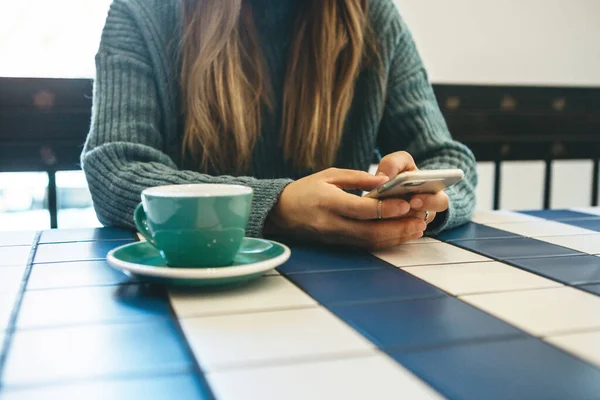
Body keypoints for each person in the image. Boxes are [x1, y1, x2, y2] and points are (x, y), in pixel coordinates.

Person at [82, 0, 477, 249]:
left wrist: (425, 207)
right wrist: (276, 207)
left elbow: (444, 156)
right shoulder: (142, 11)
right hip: (190, 287)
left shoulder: (372, 15)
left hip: (345, 283)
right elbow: (114, 169)